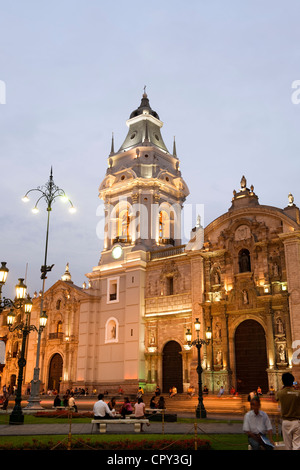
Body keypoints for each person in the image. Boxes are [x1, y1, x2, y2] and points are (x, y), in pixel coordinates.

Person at [276, 372, 300, 450]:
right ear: (292, 381)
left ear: (282, 381)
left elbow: (277, 397)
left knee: (287, 446)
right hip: (296, 421)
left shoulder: (280, 393)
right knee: (297, 445)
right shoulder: (297, 393)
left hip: (286, 422)